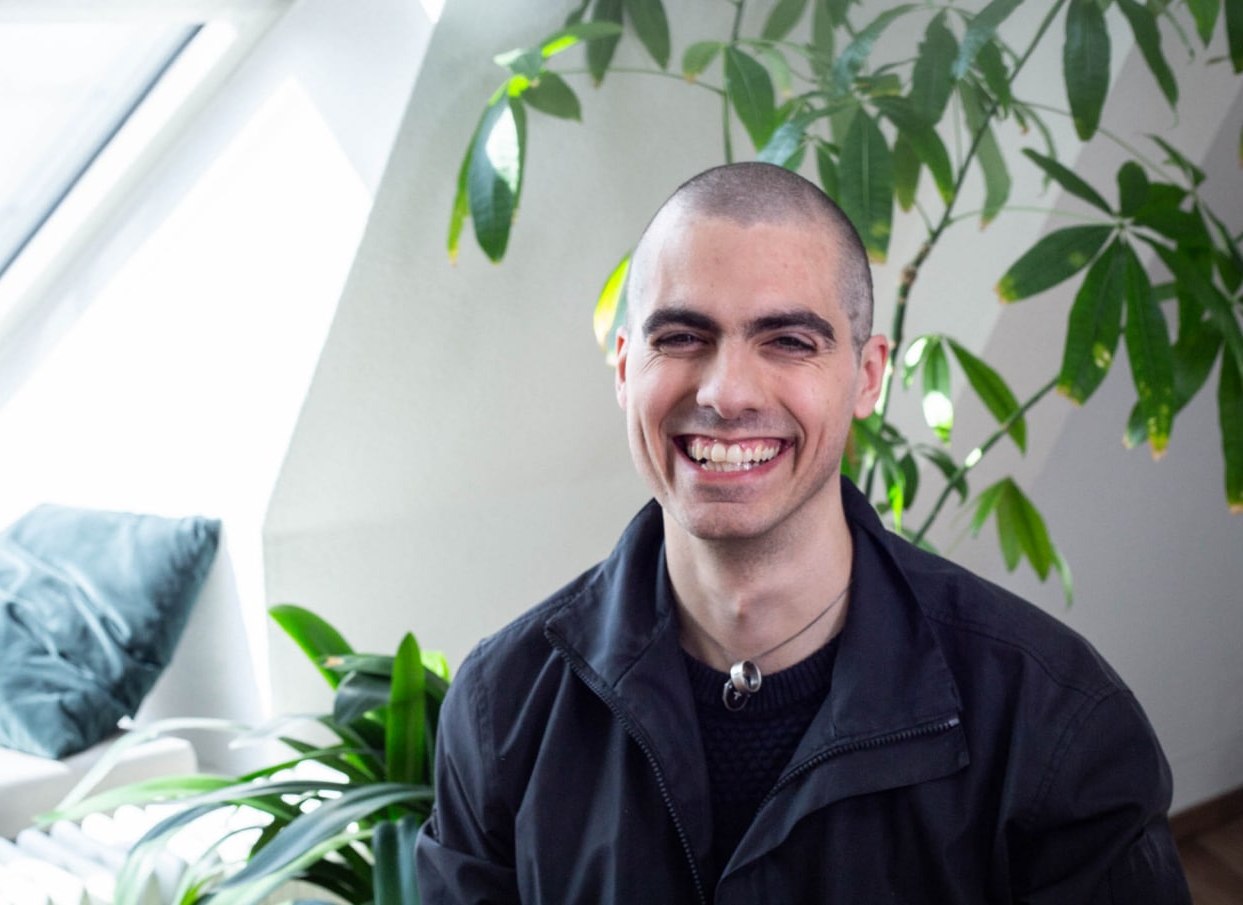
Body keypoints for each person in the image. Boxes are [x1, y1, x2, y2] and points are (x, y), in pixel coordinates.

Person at [415, 162, 1190, 903]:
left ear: (867, 375)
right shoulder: (498, 710)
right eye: (680, 336)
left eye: (788, 341)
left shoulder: (1055, 725)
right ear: (625, 369)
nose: (726, 392)